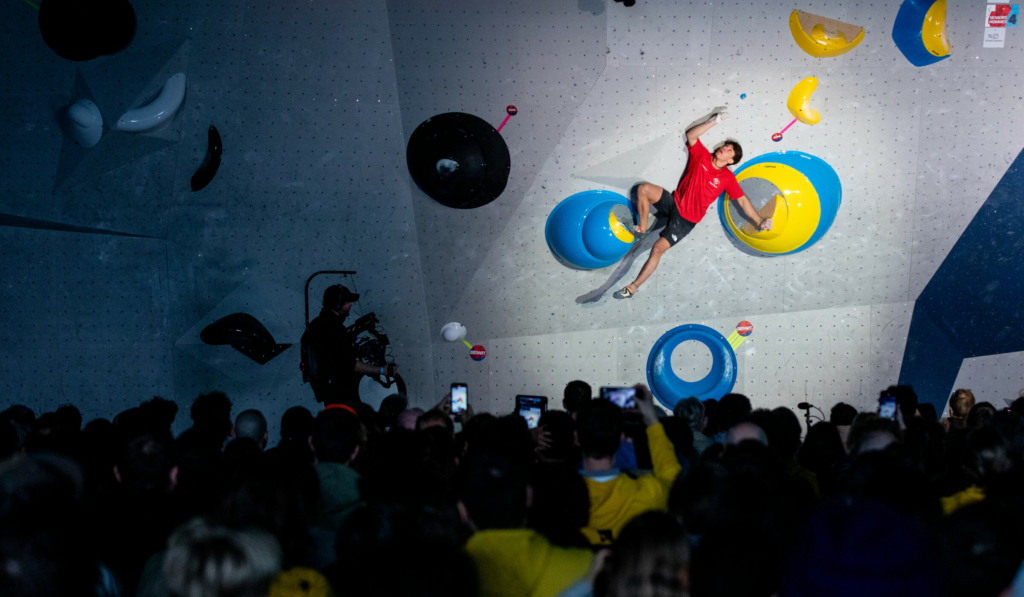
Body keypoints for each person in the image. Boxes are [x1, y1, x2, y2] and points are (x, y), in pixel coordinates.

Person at [614, 112, 767, 299]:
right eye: (725, 146)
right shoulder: (701, 155)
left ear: (731, 161)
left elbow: (742, 200)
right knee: (644, 189)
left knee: (657, 249)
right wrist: (714, 121)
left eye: (729, 151)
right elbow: (691, 135)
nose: (724, 149)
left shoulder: (727, 178)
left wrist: (759, 221)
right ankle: (641, 228)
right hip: (674, 202)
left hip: (686, 220)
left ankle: (632, 288)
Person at [576, 385, 681, 545]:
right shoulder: (648, 492)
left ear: (576, 438)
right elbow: (674, 483)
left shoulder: (557, 497)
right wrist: (651, 419)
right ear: (621, 439)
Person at [305, 284, 398, 405]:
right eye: (347, 302)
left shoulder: (318, 324)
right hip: (341, 393)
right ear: (337, 305)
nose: (351, 305)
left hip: (332, 391)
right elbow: (349, 364)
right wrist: (382, 370)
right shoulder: (332, 328)